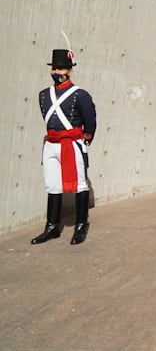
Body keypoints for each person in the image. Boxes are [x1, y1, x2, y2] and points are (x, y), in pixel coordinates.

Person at [33, 49, 97, 245]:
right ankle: (52, 226)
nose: (57, 72)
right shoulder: (44, 94)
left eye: (61, 68)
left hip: (71, 143)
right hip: (51, 144)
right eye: (54, 68)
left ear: (70, 71)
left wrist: (84, 139)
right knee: (52, 185)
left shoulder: (81, 95)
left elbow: (90, 121)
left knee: (79, 184)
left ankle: (80, 226)